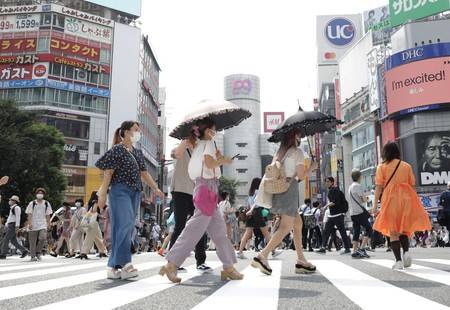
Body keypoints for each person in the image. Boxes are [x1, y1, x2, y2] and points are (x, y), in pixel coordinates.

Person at [160, 118, 243, 283]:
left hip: (206, 188)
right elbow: (209, 162)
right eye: (213, 129)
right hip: (206, 189)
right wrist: (224, 160)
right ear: (207, 131)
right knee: (193, 230)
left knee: (219, 232)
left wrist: (219, 157)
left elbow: (207, 162)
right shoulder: (208, 143)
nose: (215, 132)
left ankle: (228, 267)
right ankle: (172, 264)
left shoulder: (200, 144)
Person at [96, 120, 164, 280]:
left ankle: (113, 266)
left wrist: (156, 189)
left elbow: (144, 173)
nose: (138, 133)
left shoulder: (137, 152)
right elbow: (108, 173)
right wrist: (103, 193)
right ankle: (126, 263)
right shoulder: (117, 150)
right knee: (125, 224)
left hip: (135, 193)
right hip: (119, 191)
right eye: (136, 129)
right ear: (126, 132)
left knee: (123, 227)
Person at [252, 129, 316, 275]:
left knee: (298, 224)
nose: (300, 137)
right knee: (286, 227)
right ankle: (262, 255)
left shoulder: (280, 152)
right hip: (289, 190)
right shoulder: (297, 152)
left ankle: (301, 260)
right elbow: (300, 176)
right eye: (298, 134)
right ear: (294, 136)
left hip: (279, 190)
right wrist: (311, 168)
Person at [371, 142, 432, 270]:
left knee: (393, 231)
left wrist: (375, 205)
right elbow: (412, 184)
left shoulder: (382, 167)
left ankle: (398, 261)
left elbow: (378, 187)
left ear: (385, 153)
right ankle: (406, 252)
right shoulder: (406, 166)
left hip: (390, 200)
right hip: (406, 200)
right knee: (403, 228)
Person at [169, 133, 211, 273]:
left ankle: (201, 261)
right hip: (180, 190)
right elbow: (176, 155)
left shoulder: (198, 152)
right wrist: (184, 139)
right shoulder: (180, 147)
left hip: (196, 193)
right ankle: (173, 261)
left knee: (200, 226)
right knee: (180, 226)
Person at [237, 178, 273, 259]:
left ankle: (240, 252)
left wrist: (249, 211)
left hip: (251, 215)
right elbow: (256, 203)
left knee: (247, 233)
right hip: (257, 212)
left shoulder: (251, 193)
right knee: (266, 233)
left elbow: (248, 204)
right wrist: (252, 210)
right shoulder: (258, 192)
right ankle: (273, 251)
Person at [316, 177, 352, 254]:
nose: (327, 183)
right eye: (326, 181)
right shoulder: (331, 191)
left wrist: (325, 207)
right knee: (326, 231)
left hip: (338, 215)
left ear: (332, 182)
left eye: (328, 181)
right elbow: (333, 202)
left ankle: (347, 248)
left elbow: (335, 202)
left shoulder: (335, 190)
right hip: (332, 215)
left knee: (342, 232)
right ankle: (323, 247)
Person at [348, 169, 373, 259]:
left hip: (352, 213)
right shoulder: (358, 186)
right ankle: (362, 248)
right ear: (359, 177)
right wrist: (367, 198)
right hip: (359, 212)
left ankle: (354, 251)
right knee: (369, 228)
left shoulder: (350, 187)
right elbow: (363, 199)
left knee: (356, 231)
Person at [78, 191, 108, 260]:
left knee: (98, 237)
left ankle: (102, 251)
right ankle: (83, 253)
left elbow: (88, 211)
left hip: (93, 222)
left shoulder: (89, 202)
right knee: (89, 237)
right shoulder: (96, 202)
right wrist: (101, 216)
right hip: (93, 222)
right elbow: (94, 211)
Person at [26, 188, 53, 261]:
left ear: (43, 195)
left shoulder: (46, 203)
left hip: (42, 224)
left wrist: (49, 224)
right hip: (33, 224)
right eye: (38, 193)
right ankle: (32, 256)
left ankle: (38, 251)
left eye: (41, 193)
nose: (40, 194)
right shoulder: (32, 203)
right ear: (36, 194)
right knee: (32, 241)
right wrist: (30, 223)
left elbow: (48, 215)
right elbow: (29, 214)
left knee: (43, 238)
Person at [0, 195, 29, 259]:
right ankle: (24, 251)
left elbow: (18, 218)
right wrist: (7, 224)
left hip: (13, 225)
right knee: (13, 241)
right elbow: (10, 218)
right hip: (11, 225)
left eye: (11, 200)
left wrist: (17, 227)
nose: (9, 201)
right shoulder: (12, 208)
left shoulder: (16, 208)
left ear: (14, 201)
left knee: (6, 239)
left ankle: (3, 254)